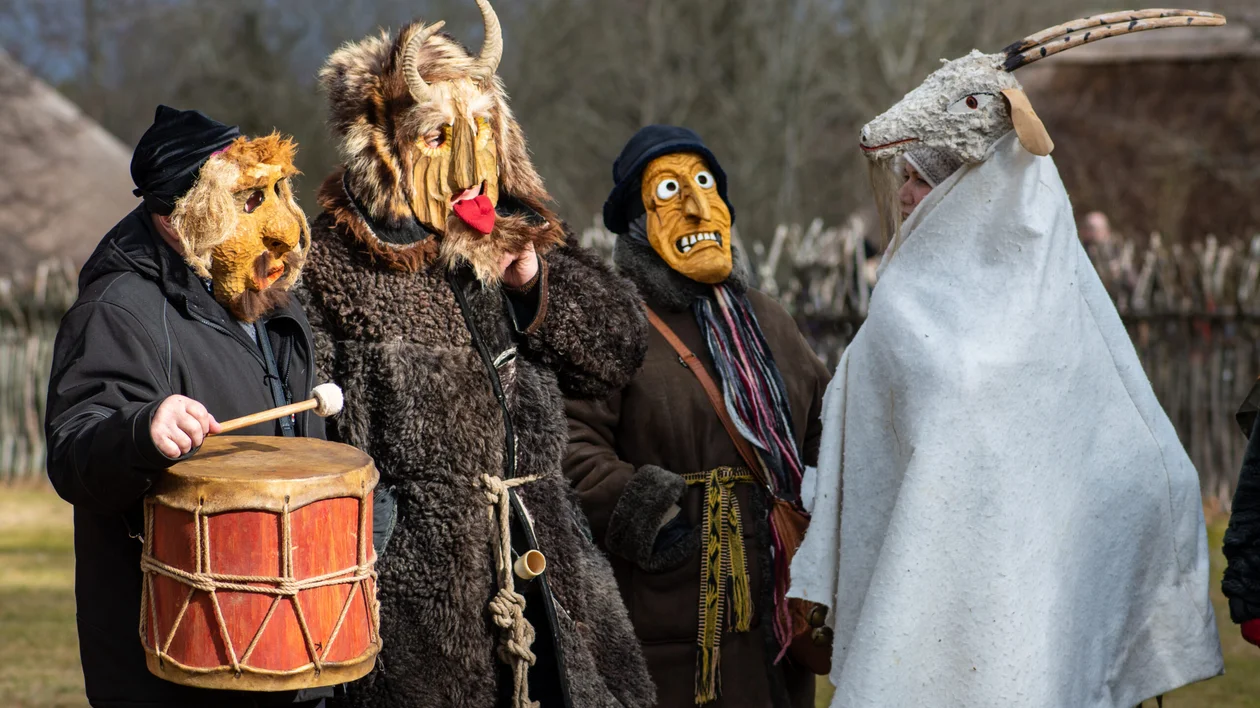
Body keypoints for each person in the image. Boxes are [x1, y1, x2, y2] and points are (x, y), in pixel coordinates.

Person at [791, 27, 1223, 708]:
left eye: (920, 179)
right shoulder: (903, 304)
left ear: (966, 189)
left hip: (1039, 598)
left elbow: (1134, 466)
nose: (904, 196)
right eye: (905, 179)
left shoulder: (1053, 308)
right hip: (928, 597)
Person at [298, 3, 656, 706]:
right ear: (384, 147)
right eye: (438, 137)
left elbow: (619, 349)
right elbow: (310, 438)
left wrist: (534, 284)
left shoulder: (518, 235)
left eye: (482, 132)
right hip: (414, 600)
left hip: (547, 567)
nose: (467, 166)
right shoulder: (332, 265)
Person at [45, 105, 330, 707]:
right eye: (243, 202)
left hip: (289, 647)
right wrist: (140, 431)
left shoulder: (265, 297)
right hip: (178, 667)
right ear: (175, 219)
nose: (274, 225)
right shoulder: (117, 310)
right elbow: (74, 454)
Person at [563, 125, 831, 708]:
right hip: (673, 609)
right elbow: (570, 444)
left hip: (778, 604)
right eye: (669, 191)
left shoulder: (768, 318)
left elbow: (825, 428)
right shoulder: (615, 321)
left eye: (706, 186)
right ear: (636, 221)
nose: (696, 206)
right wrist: (657, 514)